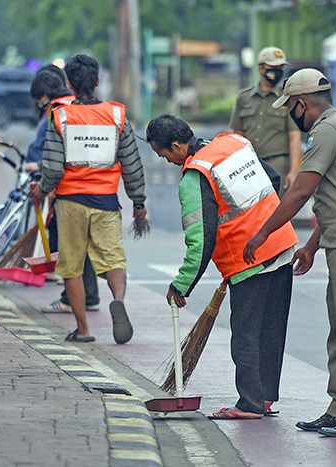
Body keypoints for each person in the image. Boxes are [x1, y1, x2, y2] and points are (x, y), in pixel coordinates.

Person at [243, 69, 336, 437]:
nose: (292, 115)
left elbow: (300, 193)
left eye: (291, 108)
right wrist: (310, 246)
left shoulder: (326, 131)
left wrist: (261, 233)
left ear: (301, 104)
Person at [146, 115, 298, 419]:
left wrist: (181, 285)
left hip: (249, 259)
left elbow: (200, 241)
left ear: (176, 145)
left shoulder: (195, 176)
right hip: (282, 245)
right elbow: (273, 180)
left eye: (164, 154)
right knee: (270, 330)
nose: (167, 161)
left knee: (245, 335)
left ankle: (250, 404)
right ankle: (265, 397)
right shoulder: (234, 143)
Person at [30, 54, 147, 344]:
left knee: (72, 266)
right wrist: (139, 203)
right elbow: (132, 164)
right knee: (112, 260)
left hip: (70, 202)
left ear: (69, 84)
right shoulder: (117, 115)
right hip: (106, 201)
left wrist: (43, 190)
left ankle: (83, 330)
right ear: (97, 82)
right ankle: (117, 299)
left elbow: (54, 167)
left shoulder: (60, 115)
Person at [27, 67, 101, 314]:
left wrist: (47, 186)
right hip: (95, 185)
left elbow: (54, 155)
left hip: (67, 187)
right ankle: (90, 296)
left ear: (44, 96)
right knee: (85, 245)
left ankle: (71, 300)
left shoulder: (56, 111)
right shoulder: (80, 105)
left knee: (67, 246)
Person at [230, 46, 302, 198]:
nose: (277, 71)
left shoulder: (286, 98)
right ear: (261, 68)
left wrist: (294, 171)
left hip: (277, 164)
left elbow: (294, 136)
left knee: (274, 210)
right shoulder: (245, 98)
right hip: (250, 165)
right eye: (273, 67)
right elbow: (237, 135)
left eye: (280, 67)